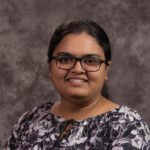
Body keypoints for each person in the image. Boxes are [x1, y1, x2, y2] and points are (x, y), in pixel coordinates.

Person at [4, 19, 150, 150]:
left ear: (106, 70)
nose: (77, 69)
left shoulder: (127, 126)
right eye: (65, 59)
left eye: (91, 61)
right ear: (50, 67)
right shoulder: (30, 120)